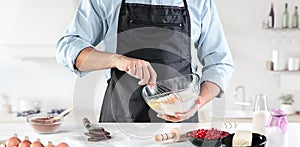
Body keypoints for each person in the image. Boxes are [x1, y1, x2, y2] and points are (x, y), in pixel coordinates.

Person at [56, 0, 234, 123]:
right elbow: (67, 48)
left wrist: (198, 102)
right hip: (119, 120)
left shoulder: (200, 2)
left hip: (180, 125)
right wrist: (116, 60)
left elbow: (220, 63)